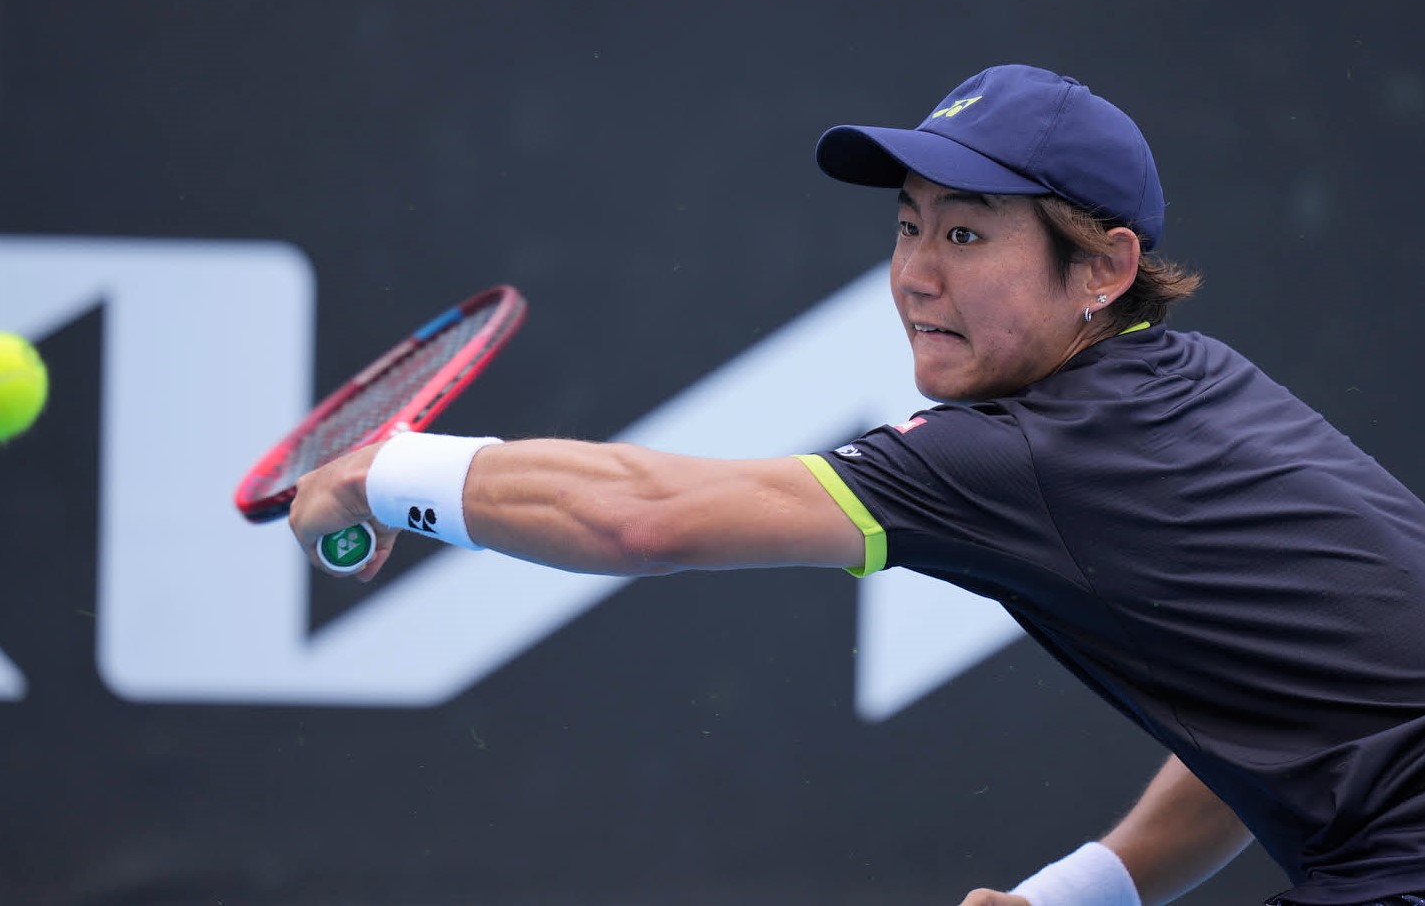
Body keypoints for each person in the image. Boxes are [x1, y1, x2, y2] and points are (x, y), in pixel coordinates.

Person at [287, 64, 1425, 906]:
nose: (915, 275)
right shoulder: (1199, 385)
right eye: (908, 227)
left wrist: (384, 472)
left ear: (1103, 267)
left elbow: (641, 517)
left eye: (967, 237)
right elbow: (1279, 716)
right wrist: (1079, 895)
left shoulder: (1025, 453)